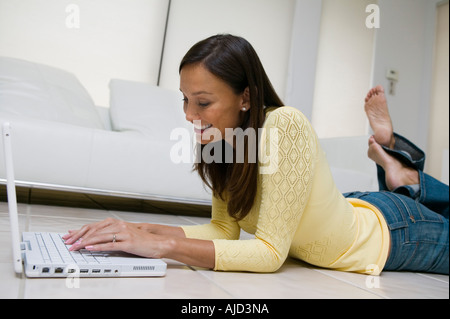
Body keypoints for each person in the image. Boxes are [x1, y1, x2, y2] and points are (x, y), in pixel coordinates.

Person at [63, 34, 449, 275]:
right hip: (352, 209)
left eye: (202, 102)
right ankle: (399, 172)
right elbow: (222, 231)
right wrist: (137, 231)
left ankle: (399, 170)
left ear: (245, 97)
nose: (188, 115)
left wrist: (162, 246)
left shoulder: (285, 125)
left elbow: (268, 255)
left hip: (394, 233)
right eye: (184, 100)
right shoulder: (222, 142)